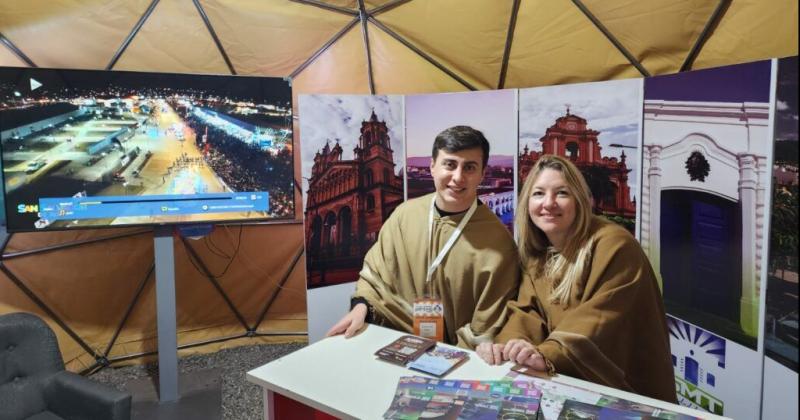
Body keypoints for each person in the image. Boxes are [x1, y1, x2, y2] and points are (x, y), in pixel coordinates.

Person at [476, 155, 676, 402]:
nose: (548, 203)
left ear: (579, 200)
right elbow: (528, 311)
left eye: (561, 193)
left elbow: (603, 318)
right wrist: (513, 344)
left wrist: (547, 354)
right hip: (566, 384)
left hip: (623, 394)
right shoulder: (540, 250)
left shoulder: (615, 245)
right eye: (538, 193)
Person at [326, 125, 519, 348]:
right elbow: (374, 275)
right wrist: (360, 308)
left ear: (483, 173)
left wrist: (450, 361)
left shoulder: (498, 243)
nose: (458, 177)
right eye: (450, 164)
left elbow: (486, 325)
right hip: (393, 340)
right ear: (432, 167)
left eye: (470, 167)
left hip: (457, 355)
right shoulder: (404, 215)